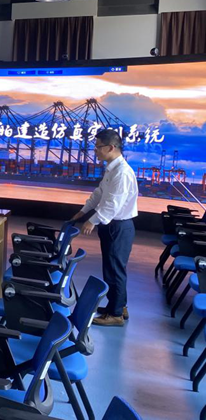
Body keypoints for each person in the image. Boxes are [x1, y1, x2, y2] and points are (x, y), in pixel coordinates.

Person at [72, 129, 138, 327]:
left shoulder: (122, 172)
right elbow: (100, 193)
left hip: (118, 226)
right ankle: (118, 306)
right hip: (112, 225)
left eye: (98, 147)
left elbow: (113, 204)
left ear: (110, 147)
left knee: (115, 270)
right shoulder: (112, 169)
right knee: (112, 268)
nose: (95, 150)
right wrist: (83, 211)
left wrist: (93, 220)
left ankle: (116, 315)